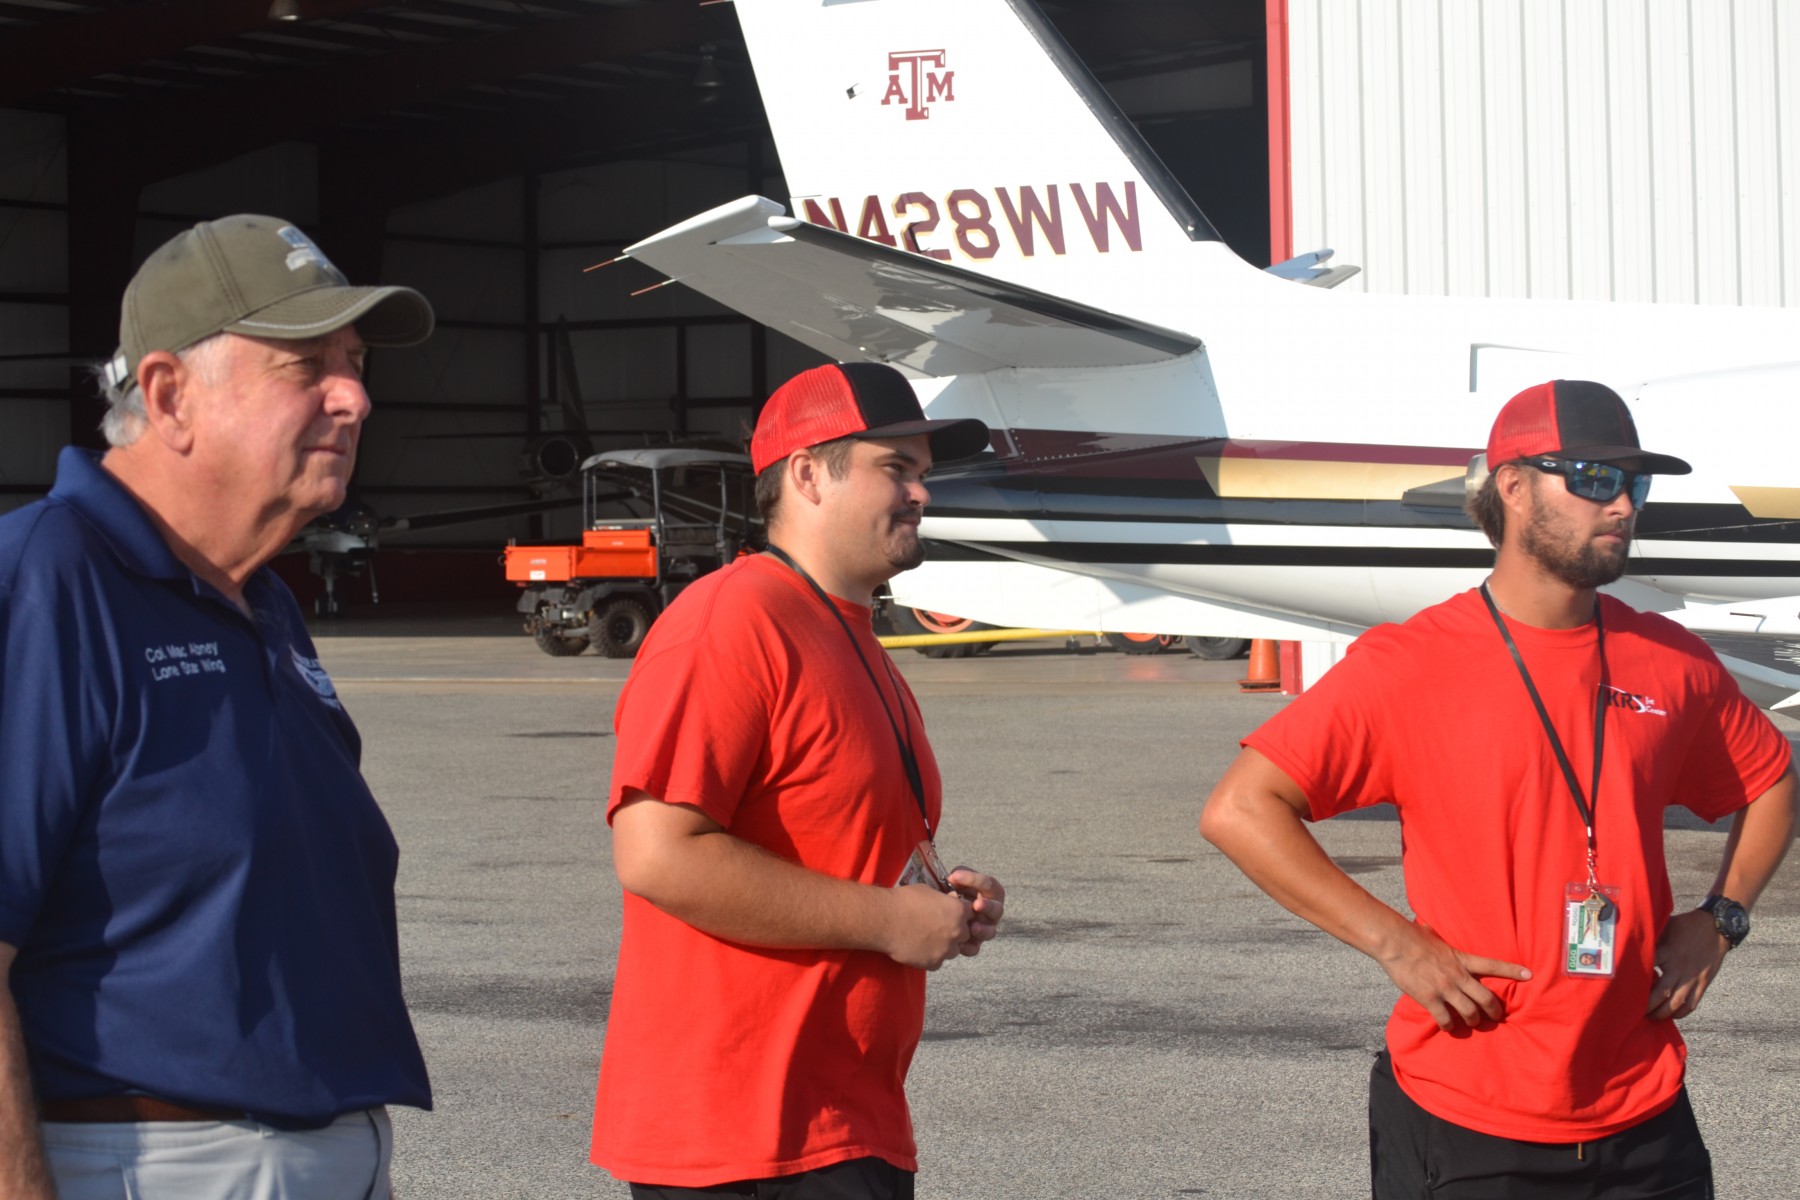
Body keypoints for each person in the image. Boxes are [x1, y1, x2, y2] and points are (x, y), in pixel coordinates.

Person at [1200, 379, 1796, 1199]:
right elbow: (1241, 809)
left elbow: (1771, 780)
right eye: (1594, 478)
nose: (1623, 504)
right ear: (1512, 486)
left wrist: (1721, 921)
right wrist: (1396, 942)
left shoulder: (1671, 661)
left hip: (1644, 1114)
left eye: (1636, 484)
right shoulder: (1411, 664)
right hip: (1468, 1116)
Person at [0, 214, 436, 1199]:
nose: (355, 397)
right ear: (169, 396)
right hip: (155, 1165)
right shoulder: (45, 586)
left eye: (357, 363)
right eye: (306, 365)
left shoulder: (260, 600)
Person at [591, 362, 1008, 1199]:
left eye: (923, 472)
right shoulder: (731, 622)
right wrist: (886, 919)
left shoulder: (847, 632)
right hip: (747, 1140)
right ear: (809, 474)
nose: (921, 493)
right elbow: (657, 853)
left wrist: (937, 903)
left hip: (837, 1118)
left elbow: (832, 838)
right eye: (896, 468)